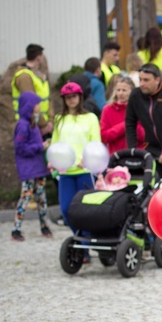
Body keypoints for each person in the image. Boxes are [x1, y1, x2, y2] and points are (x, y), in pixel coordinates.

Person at [51, 82, 101, 236]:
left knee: (85, 209)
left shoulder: (90, 118)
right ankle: (79, 238)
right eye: (67, 97)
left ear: (80, 97)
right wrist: (52, 160)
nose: (71, 100)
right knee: (66, 209)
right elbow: (55, 143)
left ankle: (85, 243)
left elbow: (96, 142)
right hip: (65, 172)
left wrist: (87, 158)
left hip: (84, 170)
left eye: (74, 97)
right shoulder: (60, 119)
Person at [11, 92, 51, 241]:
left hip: (38, 167)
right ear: (30, 106)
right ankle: (16, 229)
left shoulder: (32, 123)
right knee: (26, 198)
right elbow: (20, 147)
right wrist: (40, 146)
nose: (39, 107)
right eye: (36, 104)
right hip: (29, 169)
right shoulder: (22, 125)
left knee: (41, 198)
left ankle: (44, 225)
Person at [11, 44, 53, 136]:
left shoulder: (37, 75)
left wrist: (50, 121)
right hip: (31, 124)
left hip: (43, 124)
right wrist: (43, 124)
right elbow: (30, 102)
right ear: (39, 57)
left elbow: (47, 99)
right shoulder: (24, 76)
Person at [100, 77, 144, 154]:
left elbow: (145, 137)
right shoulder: (107, 109)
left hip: (137, 155)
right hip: (115, 157)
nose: (121, 93)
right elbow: (104, 137)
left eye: (124, 90)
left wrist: (132, 126)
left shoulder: (139, 108)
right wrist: (125, 125)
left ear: (132, 91)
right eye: (118, 90)